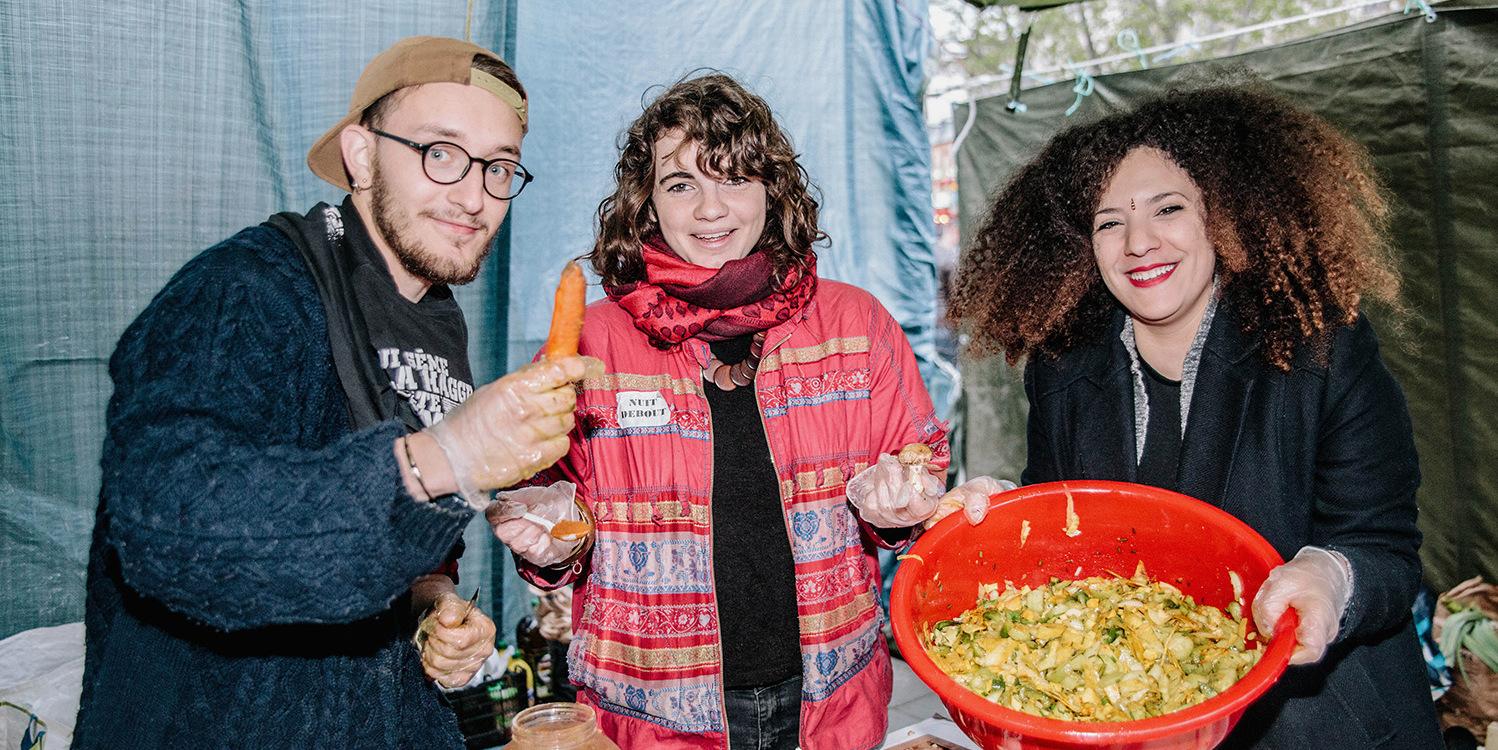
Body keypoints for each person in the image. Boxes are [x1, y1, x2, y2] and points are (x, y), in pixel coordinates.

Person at [74, 36, 592, 749]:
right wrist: (440, 458)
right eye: (440, 152)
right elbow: (167, 522)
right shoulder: (246, 292)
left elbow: (375, 544)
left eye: (499, 167)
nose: (474, 196)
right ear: (359, 153)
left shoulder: (434, 326)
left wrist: (432, 605)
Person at [484, 73, 990, 749]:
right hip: (646, 714)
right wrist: (553, 534)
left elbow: (917, 463)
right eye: (680, 183)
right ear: (646, 203)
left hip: (828, 703)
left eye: (734, 177)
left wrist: (900, 498)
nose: (710, 208)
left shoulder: (856, 324)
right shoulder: (589, 341)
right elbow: (550, 508)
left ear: (771, 190)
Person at [945, 82, 1442, 748]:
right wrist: (1002, 519)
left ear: (1225, 214)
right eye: (1109, 222)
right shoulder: (1062, 369)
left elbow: (1384, 547)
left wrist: (1330, 574)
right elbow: (1066, 541)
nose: (1138, 242)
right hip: (1139, 721)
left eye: (1168, 209)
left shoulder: (1321, 346)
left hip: (1318, 724)